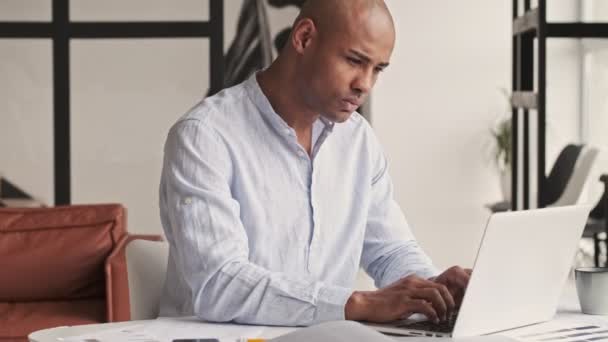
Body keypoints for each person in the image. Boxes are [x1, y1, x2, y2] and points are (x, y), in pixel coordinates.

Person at [158, 0, 471, 326]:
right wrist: (357, 304)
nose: (364, 84)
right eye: (354, 60)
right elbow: (220, 283)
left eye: (377, 69)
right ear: (305, 38)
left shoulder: (358, 141)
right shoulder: (204, 136)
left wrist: (434, 290)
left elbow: (389, 252)